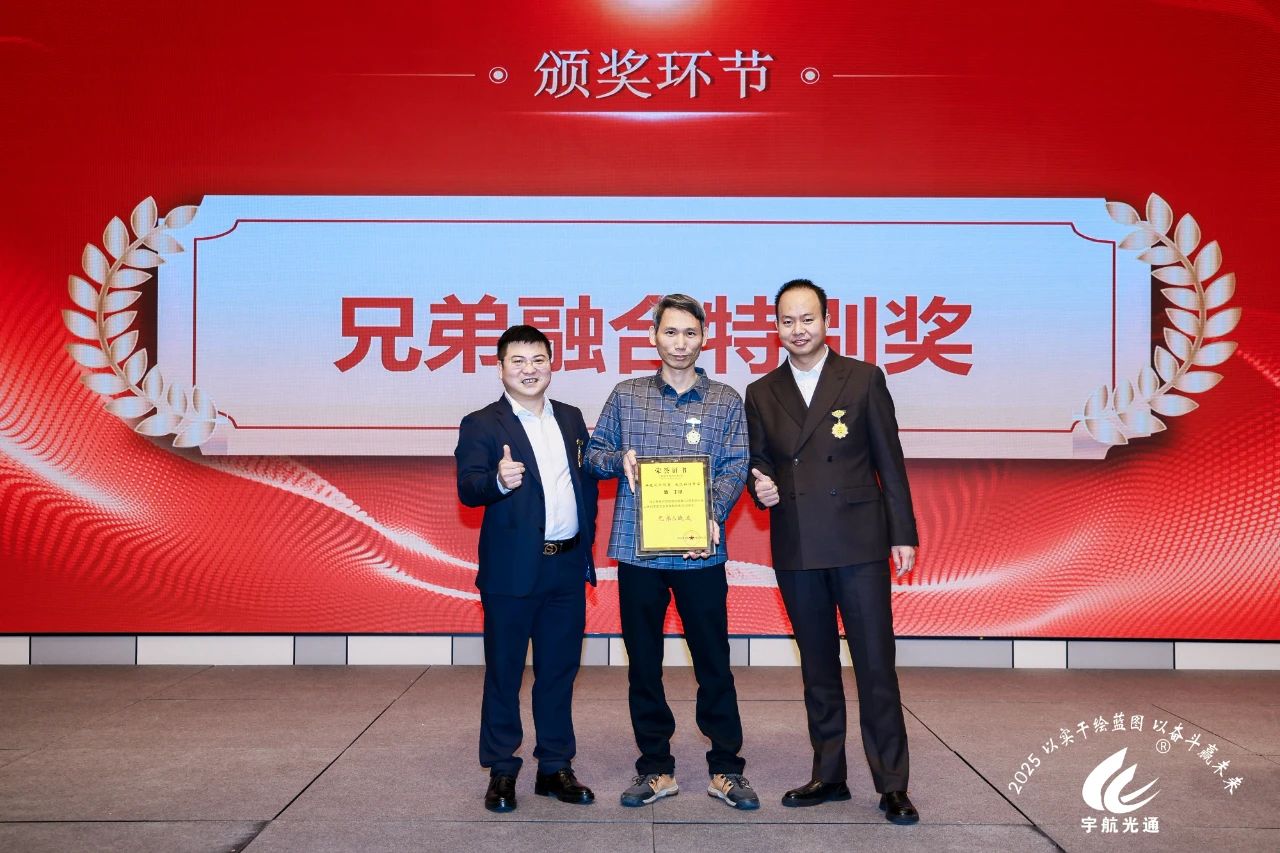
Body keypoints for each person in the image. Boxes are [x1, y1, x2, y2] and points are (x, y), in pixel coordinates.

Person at [743, 279, 921, 825]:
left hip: (859, 542)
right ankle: (829, 775)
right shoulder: (762, 391)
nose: (798, 330)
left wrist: (903, 533)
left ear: (826, 321)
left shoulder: (863, 378)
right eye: (787, 321)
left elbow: (890, 460)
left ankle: (892, 783)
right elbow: (759, 461)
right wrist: (759, 484)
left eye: (807, 319)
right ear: (776, 327)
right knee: (817, 667)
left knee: (875, 666)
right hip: (797, 542)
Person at [585, 293, 759, 811]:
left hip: (700, 553)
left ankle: (726, 768)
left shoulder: (725, 400)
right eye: (670, 332)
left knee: (714, 662)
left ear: (704, 338)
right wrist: (619, 460)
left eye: (690, 333)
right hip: (638, 554)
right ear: (653, 336)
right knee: (644, 664)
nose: (680, 343)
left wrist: (712, 512)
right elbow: (593, 455)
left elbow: (735, 465)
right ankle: (655, 767)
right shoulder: (626, 395)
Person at [455, 324, 599, 814]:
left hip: (565, 568)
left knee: (559, 671)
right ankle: (502, 768)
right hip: (511, 571)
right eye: (517, 361)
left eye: (538, 359)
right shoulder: (481, 423)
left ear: (551, 364)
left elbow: (584, 480)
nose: (529, 369)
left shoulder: (572, 418)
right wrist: (497, 480)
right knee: (505, 672)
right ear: (500, 368)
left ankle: (555, 766)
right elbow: (468, 487)